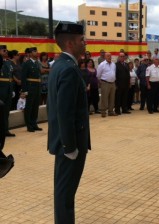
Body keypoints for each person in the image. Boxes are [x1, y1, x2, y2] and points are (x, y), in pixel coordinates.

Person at [47, 21, 91, 224]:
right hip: (69, 144)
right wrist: (70, 147)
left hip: (62, 141)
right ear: (71, 44)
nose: (85, 43)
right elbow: (65, 113)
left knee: (63, 192)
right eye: (82, 40)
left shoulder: (59, 65)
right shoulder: (69, 69)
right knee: (65, 195)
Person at [21, 47, 43, 132]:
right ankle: (29, 125)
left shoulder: (37, 63)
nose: (36, 52)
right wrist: (24, 90)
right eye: (34, 51)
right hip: (30, 87)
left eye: (36, 51)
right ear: (30, 54)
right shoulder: (27, 63)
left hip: (37, 86)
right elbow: (23, 77)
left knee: (35, 106)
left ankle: (34, 123)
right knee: (29, 106)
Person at [0, 46, 16, 137]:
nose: (6, 52)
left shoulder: (8, 63)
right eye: (4, 50)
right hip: (1, 89)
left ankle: (5, 130)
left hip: (8, 89)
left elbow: (10, 77)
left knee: (6, 112)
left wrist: (12, 89)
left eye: (6, 50)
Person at [96, 52, 117, 117]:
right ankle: (103, 112)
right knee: (104, 98)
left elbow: (114, 73)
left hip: (113, 83)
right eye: (108, 56)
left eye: (110, 56)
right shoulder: (102, 65)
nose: (109, 57)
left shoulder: (113, 64)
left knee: (112, 98)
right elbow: (98, 75)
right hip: (105, 83)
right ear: (105, 57)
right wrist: (101, 82)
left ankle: (111, 111)